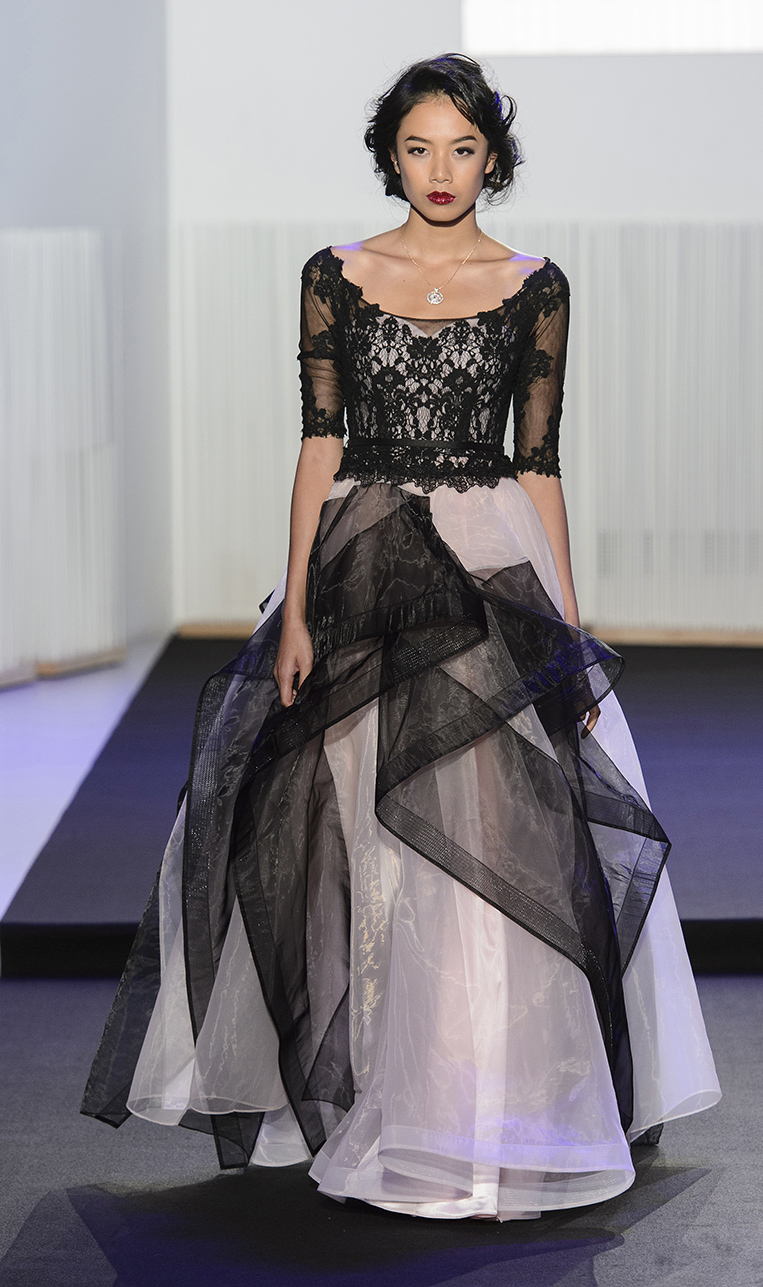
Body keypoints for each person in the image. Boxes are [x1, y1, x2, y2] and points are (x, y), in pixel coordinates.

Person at [82, 53, 720, 1221]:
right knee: (352, 822)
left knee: (492, 825)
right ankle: (375, 1087)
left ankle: (485, 1105)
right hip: (360, 558)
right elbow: (318, 444)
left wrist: (565, 629)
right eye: (419, 147)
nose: (440, 169)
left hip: (485, 556)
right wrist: (292, 606)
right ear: (390, 154)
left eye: (462, 148)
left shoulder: (534, 285)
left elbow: (538, 462)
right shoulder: (336, 273)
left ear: (493, 158)